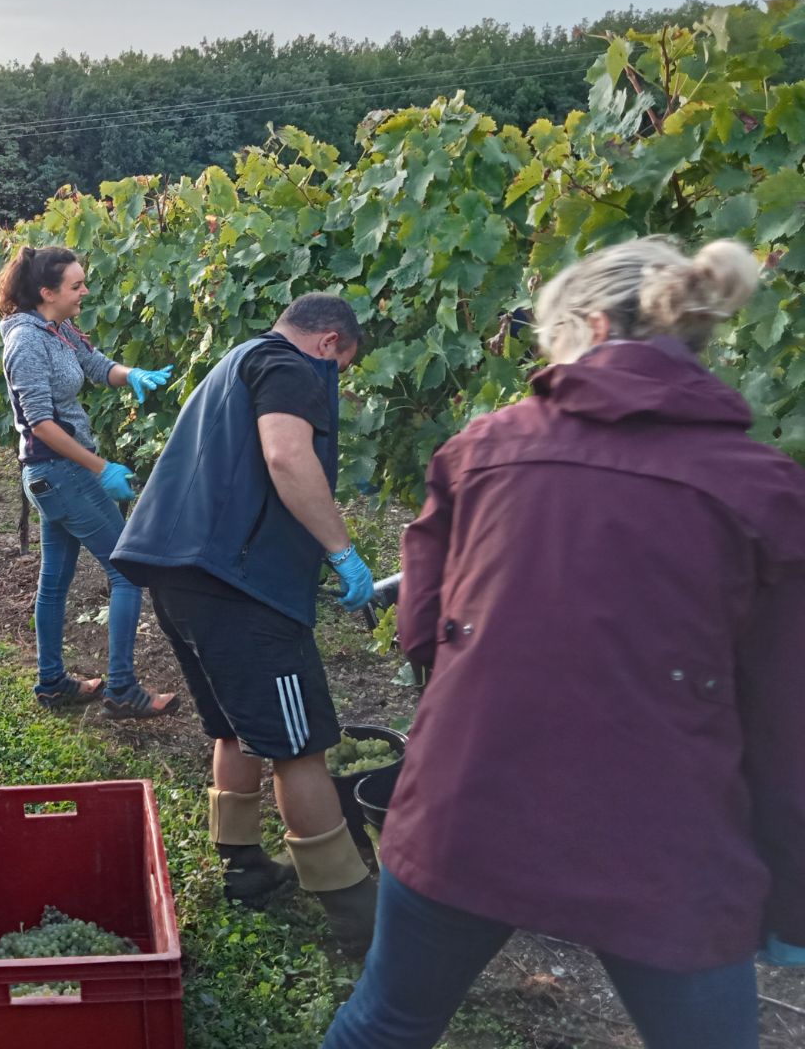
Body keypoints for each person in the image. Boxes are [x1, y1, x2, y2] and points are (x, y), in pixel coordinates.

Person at [321, 237, 805, 1049]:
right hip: (662, 842)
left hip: (468, 805)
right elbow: (788, 722)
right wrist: (788, 890)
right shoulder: (763, 488)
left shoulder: (481, 451)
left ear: (585, 324)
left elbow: (422, 629)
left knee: (388, 1021)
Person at [113, 293, 379, 953]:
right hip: (241, 586)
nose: (335, 381)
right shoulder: (293, 367)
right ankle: (355, 911)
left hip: (180, 574)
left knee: (233, 724)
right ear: (328, 344)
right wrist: (341, 551)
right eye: (341, 367)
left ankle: (243, 865)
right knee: (301, 744)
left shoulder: (235, 361)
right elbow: (287, 455)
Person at [0, 245, 178, 718]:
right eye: (76, 286)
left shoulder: (58, 329)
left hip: (55, 476)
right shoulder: (27, 342)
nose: (85, 291)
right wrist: (101, 468)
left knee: (54, 580)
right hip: (61, 472)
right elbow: (41, 424)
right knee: (127, 573)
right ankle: (121, 689)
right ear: (46, 292)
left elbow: (97, 367)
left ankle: (52, 682)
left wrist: (130, 373)